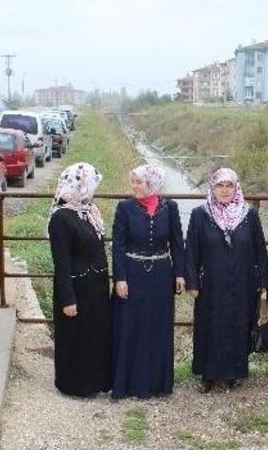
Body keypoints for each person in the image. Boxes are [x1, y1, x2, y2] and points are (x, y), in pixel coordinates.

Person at [185, 168, 268, 392]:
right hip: (211, 284)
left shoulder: (249, 215)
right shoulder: (200, 214)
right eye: (220, 185)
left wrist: (263, 280)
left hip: (242, 282)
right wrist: (192, 282)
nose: (224, 190)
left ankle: (234, 372)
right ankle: (208, 375)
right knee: (210, 326)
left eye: (229, 185)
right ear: (212, 188)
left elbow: (260, 249)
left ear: (236, 188)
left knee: (238, 325)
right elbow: (191, 250)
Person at [111, 164, 186, 399]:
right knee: (132, 326)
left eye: (138, 182)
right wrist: (120, 278)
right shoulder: (124, 208)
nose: (134, 186)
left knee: (158, 326)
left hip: (162, 274)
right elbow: (118, 246)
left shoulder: (170, 208)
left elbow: (177, 243)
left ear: (152, 183)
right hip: (133, 274)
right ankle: (129, 384)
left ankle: (158, 384)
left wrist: (179, 273)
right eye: (133, 181)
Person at [47, 162, 112, 397]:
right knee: (76, 338)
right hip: (76, 288)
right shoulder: (61, 218)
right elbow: (61, 261)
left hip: (95, 288)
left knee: (94, 336)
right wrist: (68, 299)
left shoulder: (89, 212)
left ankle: (96, 382)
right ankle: (74, 385)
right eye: (90, 184)